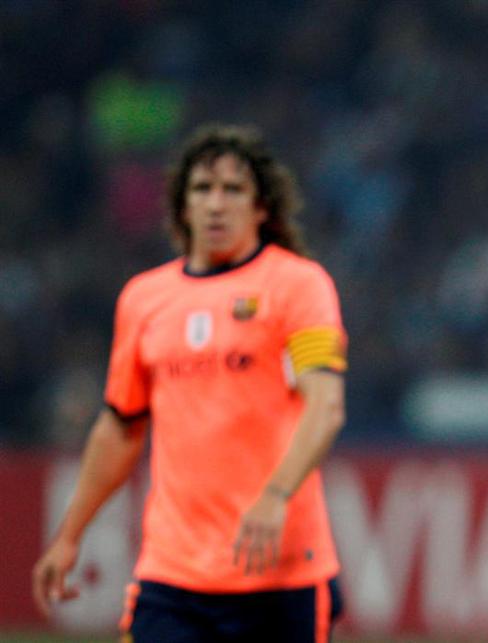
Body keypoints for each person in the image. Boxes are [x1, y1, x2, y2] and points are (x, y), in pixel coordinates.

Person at [32, 124, 347, 642]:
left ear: (261, 207)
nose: (216, 204)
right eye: (202, 189)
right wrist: (69, 535)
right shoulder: (144, 299)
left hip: (280, 571)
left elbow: (325, 406)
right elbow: (120, 427)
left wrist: (275, 496)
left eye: (233, 189)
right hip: (172, 575)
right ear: (182, 205)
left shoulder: (298, 286)